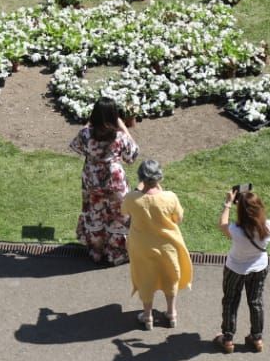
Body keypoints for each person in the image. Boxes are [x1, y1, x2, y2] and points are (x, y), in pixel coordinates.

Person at [122, 160, 192, 330]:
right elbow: (178, 219)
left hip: (141, 247)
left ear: (141, 177)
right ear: (159, 177)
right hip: (168, 246)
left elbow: (124, 213)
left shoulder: (131, 198)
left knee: (145, 278)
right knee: (170, 276)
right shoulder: (170, 197)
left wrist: (139, 190)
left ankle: (147, 317)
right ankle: (171, 313)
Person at [70, 99, 139, 264]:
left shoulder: (86, 134)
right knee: (118, 216)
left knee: (95, 212)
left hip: (92, 180)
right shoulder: (120, 137)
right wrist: (123, 127)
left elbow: (77, 147)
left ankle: (96, 252)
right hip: (114, 182)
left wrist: (90, 124)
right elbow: (132, 157)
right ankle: (115, 253)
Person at [214, 186, 270, 354]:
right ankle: (257, 338)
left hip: (235, 270)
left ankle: (228, 339)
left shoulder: (236, 231)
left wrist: (228, 203)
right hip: (259, 268)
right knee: (256, 301)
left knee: (231, 302)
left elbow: (222, 224)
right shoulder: (268, 227)